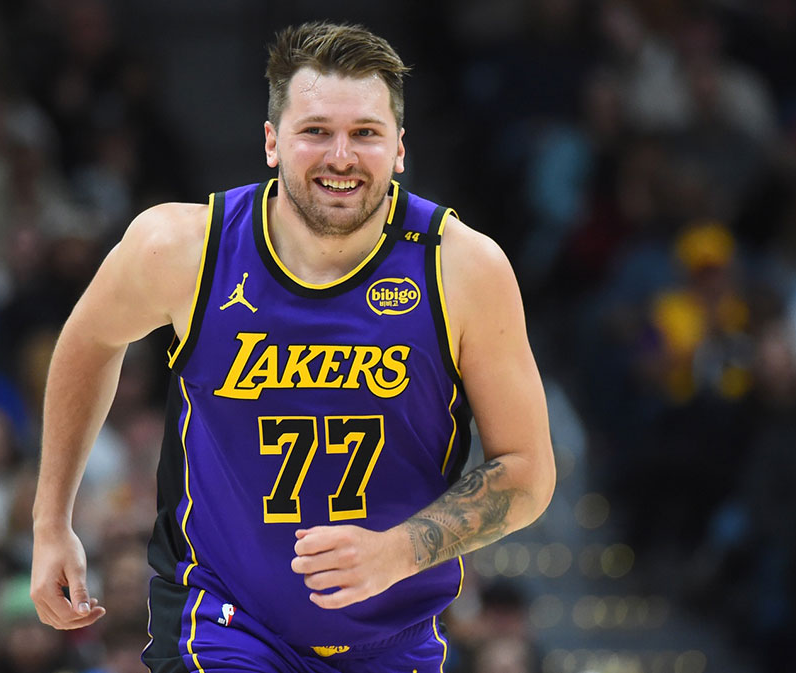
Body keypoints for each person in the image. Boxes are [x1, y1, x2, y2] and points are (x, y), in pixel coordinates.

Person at [29, 21, 555, 673]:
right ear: (273, 142)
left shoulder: (463, 269)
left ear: (398, 149)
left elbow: (528, 471)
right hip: (222, 618)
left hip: (394, 636)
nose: (341, 156)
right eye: (316, 132)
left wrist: (400, 551)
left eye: (365, 132)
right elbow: (88, 340)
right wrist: (51, 522)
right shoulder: (182, 249)